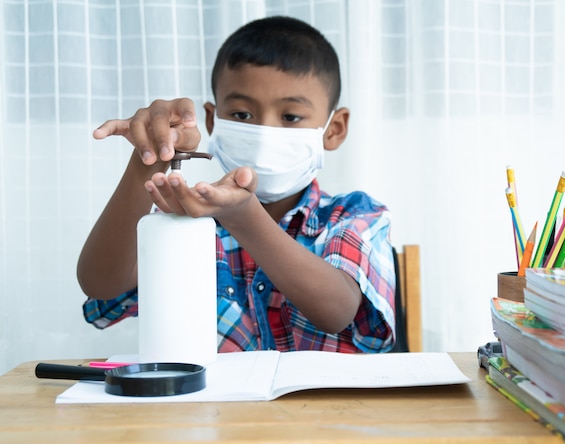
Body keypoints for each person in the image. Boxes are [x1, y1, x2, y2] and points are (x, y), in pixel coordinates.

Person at [77, 15, 396, 353]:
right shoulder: (181, 220)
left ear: (334, 129)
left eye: (290, 117)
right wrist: (149, 158)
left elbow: (337, 312)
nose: (264, 134)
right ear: (213, 120)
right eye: (243, 115)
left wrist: (245, 216)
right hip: (215, 407)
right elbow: (101, 285)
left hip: (327, 408)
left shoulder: (355, 215)